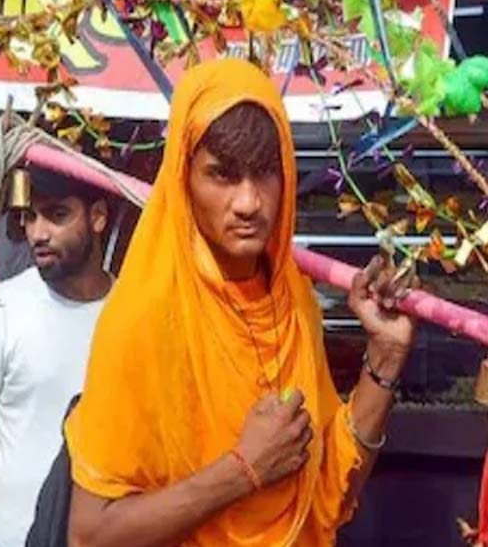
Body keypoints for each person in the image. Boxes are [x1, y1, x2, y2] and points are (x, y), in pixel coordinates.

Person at [66, 58, 417, 547]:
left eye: (265, 173)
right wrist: (243, 470)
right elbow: (90, 536)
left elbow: (327, 496)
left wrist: (384, 359)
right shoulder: (143, 320)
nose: (249, 202)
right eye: (223, 176)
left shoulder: (290, 297)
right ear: (184, 181)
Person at [0, 166, 114, 547]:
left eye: (57, 215)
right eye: (30, 217)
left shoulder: (132, 315)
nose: (38, 233)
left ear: (97, 217)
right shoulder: (1, 308)